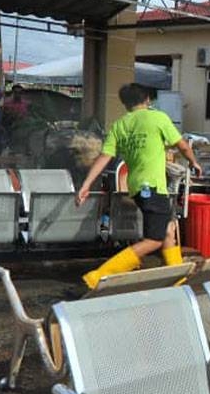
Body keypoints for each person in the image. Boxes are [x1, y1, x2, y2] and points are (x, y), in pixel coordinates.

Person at [76, 84, 201, 289]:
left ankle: (178, 278)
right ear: (148, 100)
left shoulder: (120, 125)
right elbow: (183, 145)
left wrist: (86, 184)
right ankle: (98, 276)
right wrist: (193, 162)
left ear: (126, 104)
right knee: (155, 239)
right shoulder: (158, 118)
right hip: (153, 187)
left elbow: (104, 157)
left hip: (136, 187)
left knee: (168, 230)